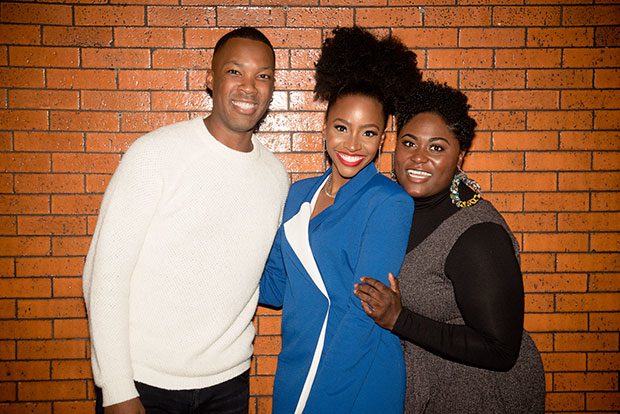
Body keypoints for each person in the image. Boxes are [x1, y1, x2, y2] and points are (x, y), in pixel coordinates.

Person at [82, 27, 289, 414]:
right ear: (210, 80)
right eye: (235, 72)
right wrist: (115, 388)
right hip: (144, 384)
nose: (249, 87)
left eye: (263, 76)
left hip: (228, 385)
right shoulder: (155, 154)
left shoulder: (276, 177)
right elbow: (104, 275)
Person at [353, 80, 546, 413]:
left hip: (480, 395)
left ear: (461, 155)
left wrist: (401, 320)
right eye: (409, 142)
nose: (418, 158)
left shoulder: (479, 234)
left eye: (437, 148)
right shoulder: (393, 209)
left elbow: (501, 350)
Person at [259, 27, 421, 414]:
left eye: (368, 133)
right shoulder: (298, 195)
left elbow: (363, 314)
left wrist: (323, 399)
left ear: (382, 139)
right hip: (297, 366)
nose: (351, 145)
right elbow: (275, 290)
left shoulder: (389, 202)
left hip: (355, 376)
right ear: (325, 127)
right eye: (341, 128)